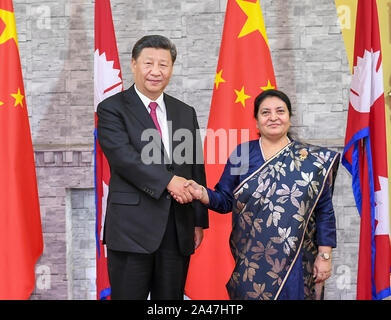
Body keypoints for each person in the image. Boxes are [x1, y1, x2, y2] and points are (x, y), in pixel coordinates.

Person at [174, 89, 340, 300]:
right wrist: (201, 193)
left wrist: (325, 256)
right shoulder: (242, 154)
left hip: (297, 261)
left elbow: (324, 210)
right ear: (256, 121)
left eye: (280, 111)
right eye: (265, 112)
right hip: (251, 259)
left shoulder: (311, 160)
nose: (273, 117)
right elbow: (225, 201)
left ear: (289, 118)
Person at [96, 35, 208, 300]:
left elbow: (194, 166)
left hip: (177, 226)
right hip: (130, 228)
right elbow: (124, 158)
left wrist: (198, 220)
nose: (156, 71)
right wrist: (170, 182)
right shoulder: (111, 108)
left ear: (171, 68)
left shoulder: (184, 111)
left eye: (163, 64)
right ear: (133, 64)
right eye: (148, 63)